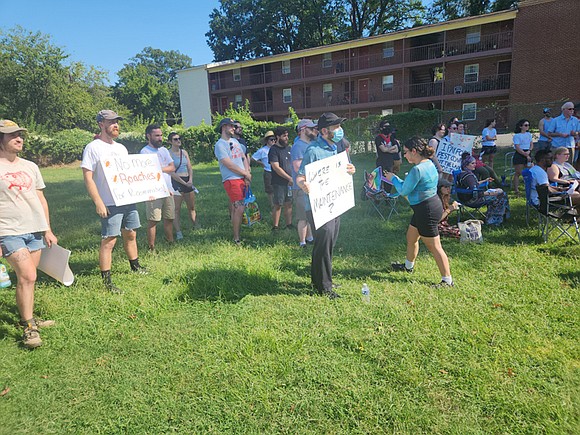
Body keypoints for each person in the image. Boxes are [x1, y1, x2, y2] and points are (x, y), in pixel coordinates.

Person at [0, 120, 58, 348]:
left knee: (29, 278)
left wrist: (47, 229)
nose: (19, 139)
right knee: (27, 276)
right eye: (12, 135)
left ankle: (29, 317)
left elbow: (40, 199)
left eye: (20, 135)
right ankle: (29, 329)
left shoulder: (30, 166)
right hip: (8, 230)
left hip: (34, 229)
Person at [81, 110, 147, 294]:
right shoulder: (93, 148)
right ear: (101, 124)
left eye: (117, 121)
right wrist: (98, 202)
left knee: (131, 234)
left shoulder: (121, 148)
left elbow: (128, 176)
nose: (116, 125)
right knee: (109, 240)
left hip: (127, 199)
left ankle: (135, 266)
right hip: (109, 202)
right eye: (111, 122)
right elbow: (88, 177)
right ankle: (107, 280)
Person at [296, 112, 356, 299]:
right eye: (335, 127)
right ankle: (324, 288)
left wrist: (351, 170)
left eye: (339, 127)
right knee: (324, 242)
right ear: (324, 131)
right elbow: (300, 176)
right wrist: (303, 184)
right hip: (317, 207)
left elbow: (345, 169)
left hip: (335, 203)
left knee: (327, 244)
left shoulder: (337, 147)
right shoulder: (313, 150)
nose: (339, 131)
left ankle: (321, 280)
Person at [383, 137, 453, 287]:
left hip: (426, 210)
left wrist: (393, 178)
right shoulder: (429, 163)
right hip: (428, 205)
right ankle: (408, 267)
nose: (405, 156)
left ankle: (447, 280)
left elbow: (403, 190)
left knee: (435, 246)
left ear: (414, 151)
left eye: (406, 152)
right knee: (411, 238)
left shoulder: (417, 169)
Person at [214, 117, 251, 244]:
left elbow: (243, 157)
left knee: (240, 206)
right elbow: (228, 163)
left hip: (241, 177)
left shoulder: (235, 141)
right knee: (238, 207)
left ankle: (238, 233)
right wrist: (244, 173)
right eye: (231, 126)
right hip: (231, 179)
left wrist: (246, 174)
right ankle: (236, 238)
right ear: (224, 127)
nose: (234, 129)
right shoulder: (220, 145)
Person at [140, 124, 176, 251]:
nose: (160, 138)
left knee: (169, 217)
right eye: (157, 136)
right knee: (153, 220)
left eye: (161, 135)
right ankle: (151, 247)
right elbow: (147, 173)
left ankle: (170, 242)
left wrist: (158, 169)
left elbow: (172, 167)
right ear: (148, 136)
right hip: (153, 192)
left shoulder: (164, 150)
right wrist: (161, 170)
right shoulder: (144, 152)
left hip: (168, 189)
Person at [457, 153, 510, 225]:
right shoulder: (469, 177)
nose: (475, 165)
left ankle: (498, 216)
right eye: (472, 163)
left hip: (464, 198)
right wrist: (491, 193)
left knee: (499, 193)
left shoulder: (462, 174)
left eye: (475, 163)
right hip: (472, 200)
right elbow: (476, 192)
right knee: (501, 195)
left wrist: (485, 180)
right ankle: (494, 220)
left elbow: (474, 185)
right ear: (466, 164)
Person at [291, 120, 316, 247]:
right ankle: (302, 242)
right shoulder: (298, 146)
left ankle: (310, 238)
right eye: (311, 128)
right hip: (300, 186)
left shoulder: (311, 144)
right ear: (303, 129)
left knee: (309, 214)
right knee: (302, 216)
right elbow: (297, 168)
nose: (313, 131)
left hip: (310, 184)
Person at [168, 132, 196, 241]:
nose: (178, 141)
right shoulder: (168, 154)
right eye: (175, 139)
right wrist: (183, 183)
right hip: (176, 181)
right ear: (170, 141)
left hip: (187, 180)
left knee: (191, 206)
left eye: (179, 138)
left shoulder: (184, 152)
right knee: (176, 209)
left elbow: (189, 167)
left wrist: (190, 180)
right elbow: (171, 172)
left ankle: (195, 224)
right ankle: (178, 232)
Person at [268, 126, 293, 231]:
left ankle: (289, 224)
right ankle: (275, 226)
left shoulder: (289, 148)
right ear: (278, 137)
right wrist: (289, 178)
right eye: (284, 136)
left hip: (289, 182)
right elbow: (276, 167)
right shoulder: (273, 150)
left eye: (287, 135)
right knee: (278, 204)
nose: (286, 138)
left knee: (289, 203)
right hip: (279, 182)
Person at [251, 131, 275, 210]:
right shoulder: (263, 150)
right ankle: (272, 205)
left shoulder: (276, 149)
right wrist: (261, 163)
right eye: (271, 139)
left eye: (275, 139)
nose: (273, 141)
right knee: (270, 189)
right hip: (268, 171)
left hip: (277, 171)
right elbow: (253, 158)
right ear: (267, 140)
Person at [375, 120, 400, 190]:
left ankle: (388, 195)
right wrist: (390, 149)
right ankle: (379, 195)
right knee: (381, 180)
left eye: (388, 126)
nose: (387, 128)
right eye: (385, 126)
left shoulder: (391, 138)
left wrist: (387, 149)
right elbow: (383, 150)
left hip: (390, 162)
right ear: (381, 128)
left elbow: (397, 149)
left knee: (389, 180)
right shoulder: (378, 138)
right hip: (381, 162)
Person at [512, 119, 534, 196]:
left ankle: (531, 187)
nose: (527, 127)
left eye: (528, 125)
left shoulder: (529, 134)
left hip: (528, 152)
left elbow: (531, 144)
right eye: (525, 125)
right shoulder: (517, 136)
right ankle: (516, 189)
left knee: (531, 170)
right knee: (518, 172)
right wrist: (525, 154)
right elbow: (517, 147)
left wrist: (529, 151)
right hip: (520, 153)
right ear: (521, 126)